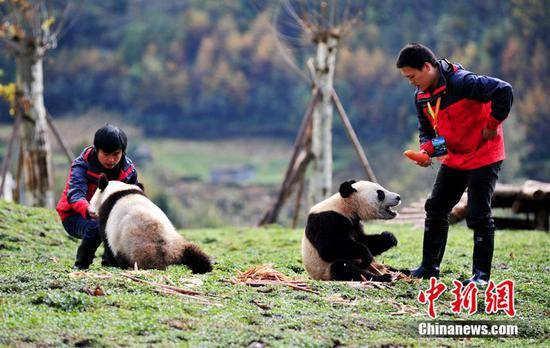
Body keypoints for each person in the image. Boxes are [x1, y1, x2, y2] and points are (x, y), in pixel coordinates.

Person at [396, 43, 513, 286]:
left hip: (484, 154)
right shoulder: (421, 97)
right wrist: (428, 152)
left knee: (479, 214)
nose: (410, 82)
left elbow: (504, 90)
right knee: (436, 207)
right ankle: (429, 268)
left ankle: (481, 277)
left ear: (427, 67)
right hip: (456, 157)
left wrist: (492, 125)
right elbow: (428, 131)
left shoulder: (463, 82)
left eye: (412, 76)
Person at [56, 124, 138, 269]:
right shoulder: (81, 166)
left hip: (108, 218)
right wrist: (88, 209)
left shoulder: (129, 171)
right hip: (74, 215)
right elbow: (75, 194)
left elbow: (133, 198)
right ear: (96, 149)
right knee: (96, 227)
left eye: (116, 154)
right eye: (106, 155)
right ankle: (81, 266)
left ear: (123, 152)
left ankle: (110, 264)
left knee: (126, 228)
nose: (111, 159)